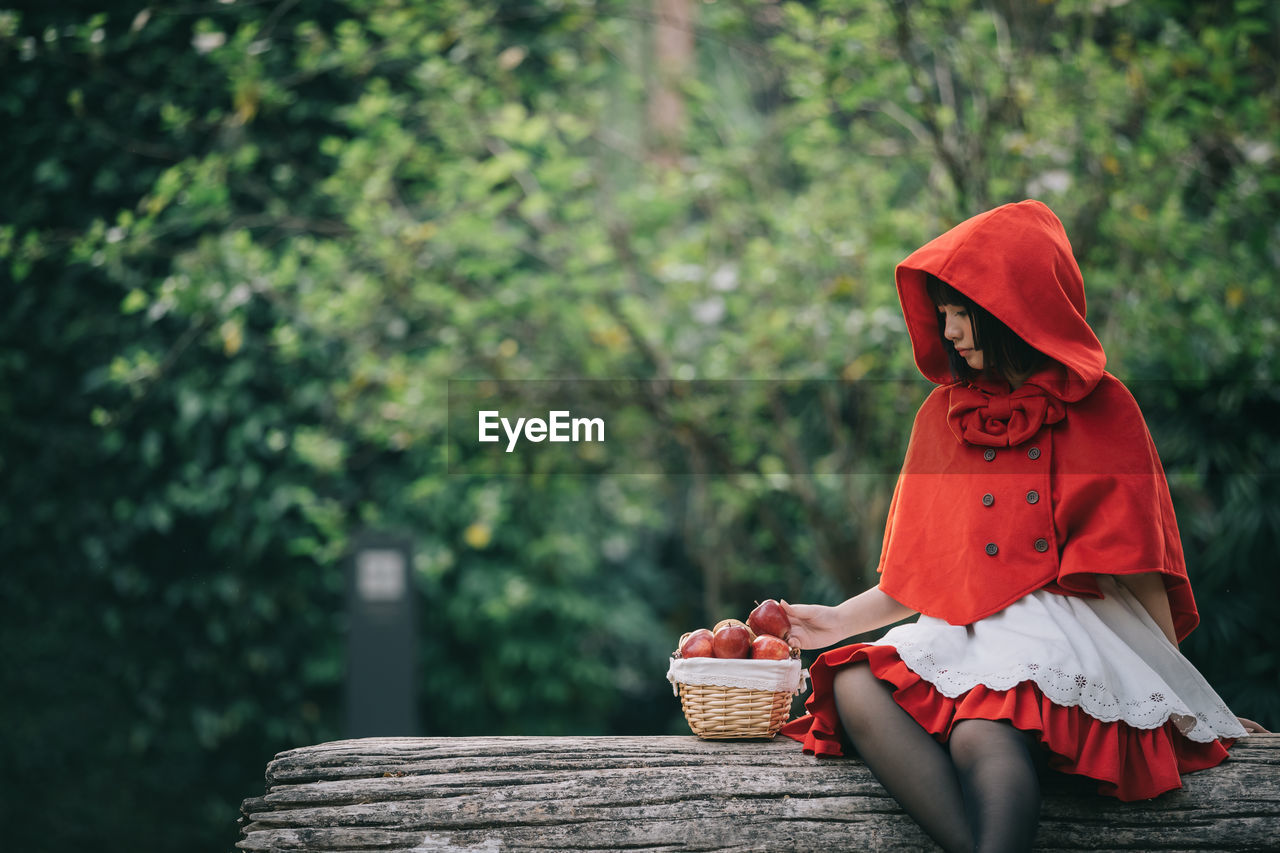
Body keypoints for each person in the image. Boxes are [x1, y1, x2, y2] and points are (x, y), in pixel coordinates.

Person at [777, 200, 1267, 853]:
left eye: (963, 313)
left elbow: (1139, 566)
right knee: (856, 683)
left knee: (985, 729)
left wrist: (1182, 694)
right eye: (943, 313)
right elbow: (929, 571)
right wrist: (833, 623)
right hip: (965, 629)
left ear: (1014, 308)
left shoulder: (1105, 408)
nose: (948, 330)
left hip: (1069, 631)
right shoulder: (939, 418)